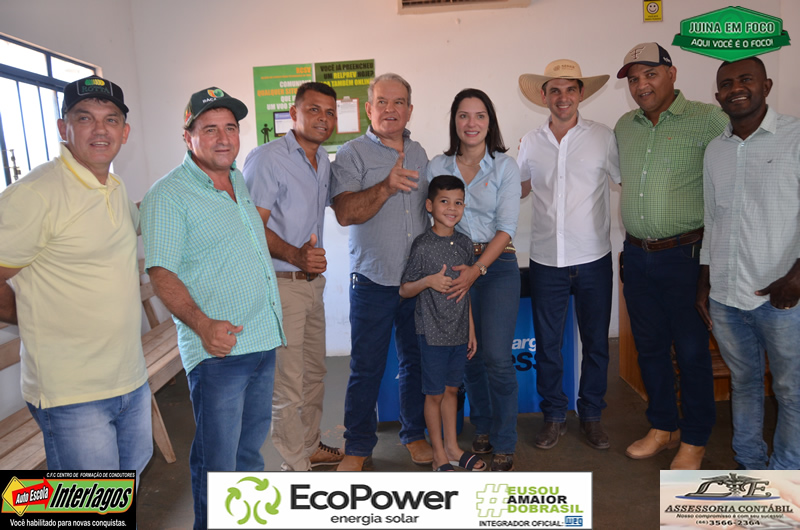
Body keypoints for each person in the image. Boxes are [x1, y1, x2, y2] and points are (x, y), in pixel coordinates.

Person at [140, 87, 284, 529]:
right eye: (209, 129)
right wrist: (202, 326)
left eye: (230, 128)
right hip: (219, 351)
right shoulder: (169, 194)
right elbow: (161, 271)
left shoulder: (236, 179)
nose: (223, 138)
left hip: (261, 339)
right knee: (218, 464)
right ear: (188, 137)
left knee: (248, 455)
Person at [0, 76, 152, 481]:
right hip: (71, 392)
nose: (100, 130)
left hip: (129, 377)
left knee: (126, 488)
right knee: (91, 503)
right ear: (62, 128)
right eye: (85, 118)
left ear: (125, 132)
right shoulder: (36, 194)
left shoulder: (114, 187)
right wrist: (28, 314)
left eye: (111, 119)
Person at [615, 42, 728, 469]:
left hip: (686, 255)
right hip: (636, 255)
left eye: (651, 74)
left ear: (672, 73)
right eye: (634, 78)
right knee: (650, 348)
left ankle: (695, 439)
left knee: (692, 351)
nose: (641, 85)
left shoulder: (708, 119)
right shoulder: (625, 126)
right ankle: (663, 426)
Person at [696, 57, 800, 470]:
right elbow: (712, 219)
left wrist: (797, 278)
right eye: (726, 83)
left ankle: (786, 476)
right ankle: (751, 466)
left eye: (746, 79)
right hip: (726, 297)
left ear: (766, 86)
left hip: (784, 298)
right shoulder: (715, 150)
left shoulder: (795, 137)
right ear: (717, 95)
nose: (735, 88)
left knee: (791, 391)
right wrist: (705, 283)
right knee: (744, 383)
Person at [330, 73, 432, 471]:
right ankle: (358, 445)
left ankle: (414, 434)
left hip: (417, 282)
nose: (391, 109)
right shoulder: (352, 154)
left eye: (399, 102)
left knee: (415, 363)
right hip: (373, 280)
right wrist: (386, 187)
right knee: (366, 367)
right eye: (383, 102)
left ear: (410, 109)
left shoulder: (420, 153)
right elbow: (344, 213)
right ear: (369, 109)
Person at [518, 59, 619, 451]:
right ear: (544, 96)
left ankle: (591, 415)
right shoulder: (530, 142)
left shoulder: (603, 137)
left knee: (596, 344)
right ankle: (554, 416)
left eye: (570, 89)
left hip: (593, 258)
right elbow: (519, 189)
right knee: (548, 346)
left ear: (581, 93)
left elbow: (626, 180)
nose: (563, 97)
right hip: (546, 261)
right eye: (555, 90)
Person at [243, 82, 343, 471]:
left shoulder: (323, 162)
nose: (323, 118)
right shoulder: (268, 159)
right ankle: (293, 465)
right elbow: (252, 226)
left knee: (315, 374)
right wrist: (296, 255)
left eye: (330, 112)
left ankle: (310, 445)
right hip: (282, 285)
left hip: (312, 285)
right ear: (294, 114)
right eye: (314, 109)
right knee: (288, 383)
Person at [428, 88, 521, 471]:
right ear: (454, 121)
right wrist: (457, 269)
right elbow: (432, 219)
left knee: (497, 357)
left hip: (497, 266)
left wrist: (478, 268)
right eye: (463, 115)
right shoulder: (438, 165)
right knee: (470, 355)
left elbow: (507, 227)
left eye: (479, 115)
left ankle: (505, 440)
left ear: (490, 121)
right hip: (454, 266)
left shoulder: (505, 167)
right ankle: (482, 427)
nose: (471, 123)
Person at [400, 175, 484, 472]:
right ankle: (438, 453)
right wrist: (428, 281)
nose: (452, 208)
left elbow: (465, 290)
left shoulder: (464, 244)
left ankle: (452, 448)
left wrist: (470, 329)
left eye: (458, 202)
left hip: (459, 333)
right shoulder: (422, 246)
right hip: (431, 335)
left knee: (452, 391)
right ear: (429, 206)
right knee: (434, 394)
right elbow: (404, 289)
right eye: (444, 201)